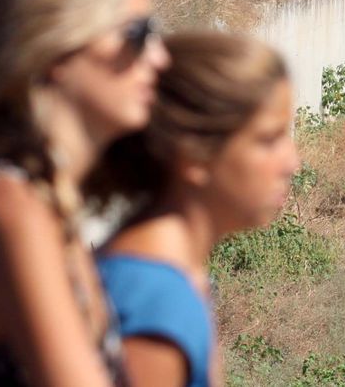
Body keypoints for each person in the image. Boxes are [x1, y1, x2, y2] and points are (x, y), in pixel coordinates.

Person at [0, 0, 168, 387]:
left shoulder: (43, 202)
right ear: (54, 49)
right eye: (136, 33)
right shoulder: (9, 209)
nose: (159, 58)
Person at [94, 33, 299, 387]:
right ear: (195, 154)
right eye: (269, 140)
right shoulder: (155, 304)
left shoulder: (177, 277)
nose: (292, 163)